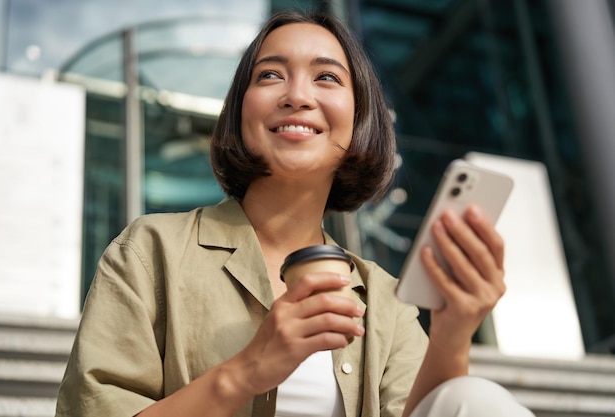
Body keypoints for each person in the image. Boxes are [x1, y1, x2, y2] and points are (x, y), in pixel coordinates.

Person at [55, 10, 535, 417]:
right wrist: (246, 371)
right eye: (270, 75)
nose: (297, 95)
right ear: (239, 114)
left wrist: (451, 336)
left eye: (326, 77)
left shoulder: (386, 300)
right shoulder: (151, 251)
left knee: (476, 399)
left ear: (359, 118)